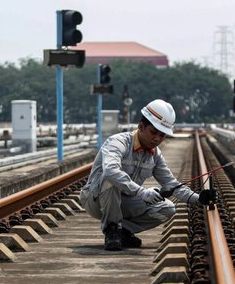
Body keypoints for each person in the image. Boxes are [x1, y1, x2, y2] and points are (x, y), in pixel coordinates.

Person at [79, 99, 216, 251]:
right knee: (110, 179)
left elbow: (171, 184)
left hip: (123, 201)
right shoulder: (117, 142)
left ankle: (123, 230)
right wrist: (141, 192)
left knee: (168, 208)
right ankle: (111, 230)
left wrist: (199, 199)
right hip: (96, 200)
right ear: (141, 126)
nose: (157, 138)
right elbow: (110, 171)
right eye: (153, 132)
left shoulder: (155, 155)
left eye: (162, 135)